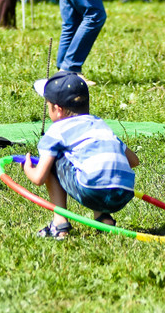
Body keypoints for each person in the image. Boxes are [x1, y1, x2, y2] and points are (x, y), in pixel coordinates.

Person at [22, 71, 140, 239]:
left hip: (91, 190)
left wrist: (28, 168)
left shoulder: (57, 130)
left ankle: (59, 224)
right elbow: (134, 161)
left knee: (54, 158)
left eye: (48, 105)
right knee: (92, 166)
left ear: (58, 109)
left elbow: (38, 178)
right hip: (124, 193)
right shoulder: (100, 125)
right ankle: (103, 219)